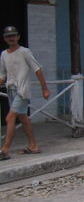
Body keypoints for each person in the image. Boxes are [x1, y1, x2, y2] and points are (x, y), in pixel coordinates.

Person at [0, 26, 50, 160]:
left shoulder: (25, 52)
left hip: (22, 91)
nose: (11, 38)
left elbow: (37, 69)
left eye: (13, 35)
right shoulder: (4, 54)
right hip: (10, 89)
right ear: (5, 38)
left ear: (18, 37)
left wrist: (44, 88)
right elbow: (2, 75)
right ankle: (33, 145)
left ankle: (4, 149)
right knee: (23, 118)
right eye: (8, 36)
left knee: (9, 118)